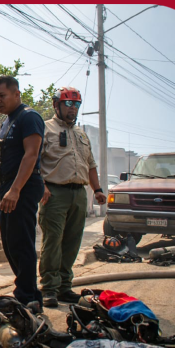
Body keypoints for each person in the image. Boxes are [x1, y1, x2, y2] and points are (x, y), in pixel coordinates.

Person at [37, 87, 105, 307]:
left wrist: (97, 190)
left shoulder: (81, 134)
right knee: (53, 242)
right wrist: (42, 186)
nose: (73, 109)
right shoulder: (45, 129)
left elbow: (91, 165)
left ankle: (65, 287)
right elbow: (33, 161)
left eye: (76, 105)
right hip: (54, 193)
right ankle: (49, 289)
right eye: (68, 104)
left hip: (79, 194)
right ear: (57, 105)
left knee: (72, 242)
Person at [0, 75, 46, 311]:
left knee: (22, 241)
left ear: (16, 94)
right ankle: (25, 291)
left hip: (24, 186)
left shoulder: (29, 117)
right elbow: (5, 161)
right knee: (10, 243)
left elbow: (30, 155)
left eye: (2, 96)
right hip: (10, 188)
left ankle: (28, 297)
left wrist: (15, 190)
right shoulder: (7, 121)